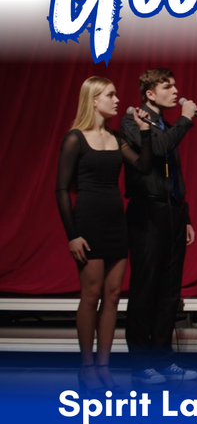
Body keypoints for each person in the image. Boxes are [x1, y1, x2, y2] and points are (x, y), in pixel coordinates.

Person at [56, 77, 153, 393]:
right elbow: (61, 190)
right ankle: (86, 367)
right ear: (94, 99)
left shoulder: (115, 137)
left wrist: (145, 131)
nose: (116, 99)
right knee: (91, 295)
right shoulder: (75, 138)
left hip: (116, 224)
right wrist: (73, 235)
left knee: (112, 296)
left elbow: (144, 166)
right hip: (89, 223)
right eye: (110, 95)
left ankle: (103, 366)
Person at [120, 68, 197, 385]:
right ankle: (141, 363)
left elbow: (173, 174)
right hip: (147, 211)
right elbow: (160, 149)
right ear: (150, 94)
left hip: (172, 212)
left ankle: (163, 359)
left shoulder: (165, 124)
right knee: (146, 286)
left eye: (175, 84)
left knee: (169, 289)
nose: (176, 90)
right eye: (168, 86)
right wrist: (186, 119)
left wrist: (186, 213)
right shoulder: (133, 121)